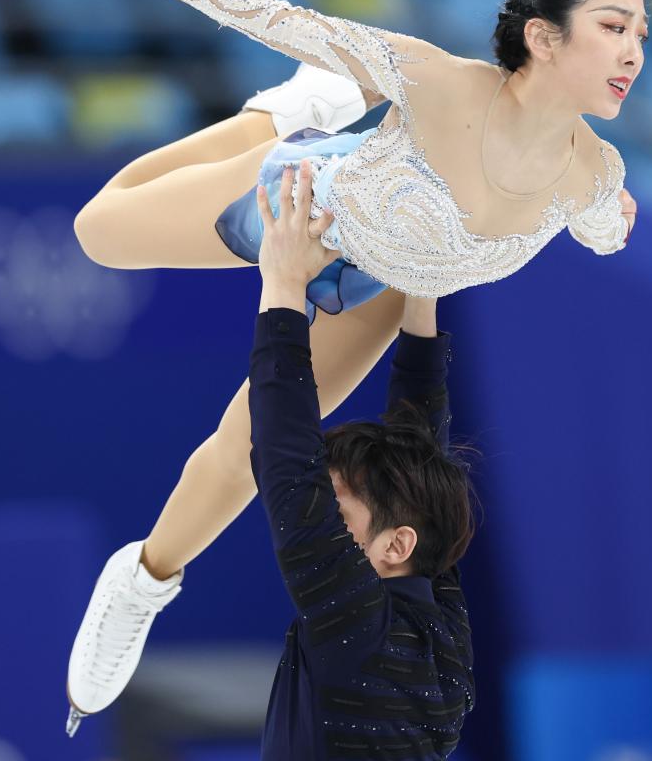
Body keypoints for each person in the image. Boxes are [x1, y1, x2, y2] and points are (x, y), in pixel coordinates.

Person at [44, 0, 640, 726]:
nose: (632, 52)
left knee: (255, 446)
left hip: (380, 287)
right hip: (302, 207)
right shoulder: (437, 81)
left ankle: (143, 580)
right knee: (96, 231)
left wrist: (615, 219)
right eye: (613, 28)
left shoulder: (594, 174)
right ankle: (278, 117)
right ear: (543, 36)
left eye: (640, 33)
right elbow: (282, 20)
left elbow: (602, 230)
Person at [71, 160, 478, 759]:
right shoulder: (409, 626)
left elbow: (291, 460)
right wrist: (419, 287)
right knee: (100, 229)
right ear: (400, 546)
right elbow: (337, 454)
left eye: (336, 510)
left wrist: (287, 282)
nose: (321, 520)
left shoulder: (412, 630)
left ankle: (272, 124)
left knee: (100, 229)